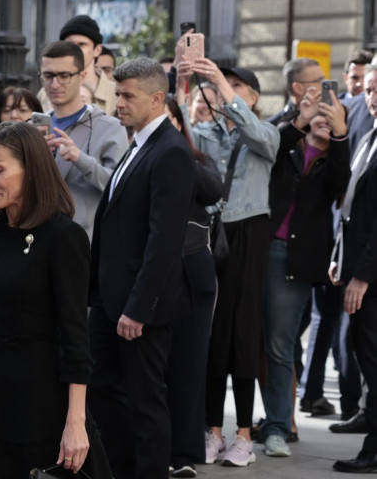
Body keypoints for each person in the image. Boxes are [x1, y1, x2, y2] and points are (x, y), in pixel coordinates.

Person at [0, 121, 111, 479]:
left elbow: (76, 338)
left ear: (32, 170)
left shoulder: (63, 236)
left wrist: (76, 423)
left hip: (44, 397)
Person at [87, 57, 196, 479]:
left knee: (145, 400)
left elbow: (164, 241)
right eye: (117, 94)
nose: (119, 103)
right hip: (111, 299)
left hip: (141, 307)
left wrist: (138, 308)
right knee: (103, 391)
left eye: (127, 95)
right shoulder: (139, 142)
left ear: (156, 98)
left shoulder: (170, 151)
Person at [186, 60, 279, 467]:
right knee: (212, 334)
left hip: (248, 234)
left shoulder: (266, 132)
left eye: (238, 87)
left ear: (253, 98)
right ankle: (214, 430)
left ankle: (244, 435)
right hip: (211, 234)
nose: (225, 93)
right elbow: (179, 144)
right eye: (224, 85)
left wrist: (223, 85)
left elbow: (258, 137)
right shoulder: (204, 135)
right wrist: (183, 87)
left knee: (243, 332)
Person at [260, 85, 351, 457]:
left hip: (295, 261)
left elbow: (344, 188)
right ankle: (226, 425)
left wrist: (341, 134)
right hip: (258, 250)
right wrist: (299, 117)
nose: (324, 117)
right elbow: (273, 147)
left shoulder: (336, 161)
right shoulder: (287, 140)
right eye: (320, 110)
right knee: (247, 339)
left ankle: (278, 427)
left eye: (333, 112)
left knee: (280, 345)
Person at [163, 95, 224, 477]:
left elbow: (213, 191)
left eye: (172, 119)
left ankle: (184, 454)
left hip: (193, 271)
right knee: (156, 366)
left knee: (189, 364)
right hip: (152, 273)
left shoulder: (196, 159)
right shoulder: (135, 158)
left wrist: (179, 151)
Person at [331, 62, 377, 474]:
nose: (371, 96)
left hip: (372, 275)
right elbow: (352, 207)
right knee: (364, 355)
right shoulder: (371, 135)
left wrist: (361, 275)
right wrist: (338, 257)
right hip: (355, 261)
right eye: (370, 88)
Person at [39, 40, 129, 239]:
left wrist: (80, 159)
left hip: (85, 243)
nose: (55, 84)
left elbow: (123, 188)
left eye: (64, 76)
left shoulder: (109, 127)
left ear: (82, 76)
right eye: (48, 75)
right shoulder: (33, 127)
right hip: (36, 239)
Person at [57, 15, 116, 115]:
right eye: (69, 44)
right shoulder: (49, 92)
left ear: (97, 50)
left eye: (82, 44)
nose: (75, 49)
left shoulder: (116, 94)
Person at [267, 58, 324, 126]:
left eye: (324, 79)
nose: (325, 84)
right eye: (318, 81)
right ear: (298, 88)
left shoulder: (331, 116)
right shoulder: (273, 127)